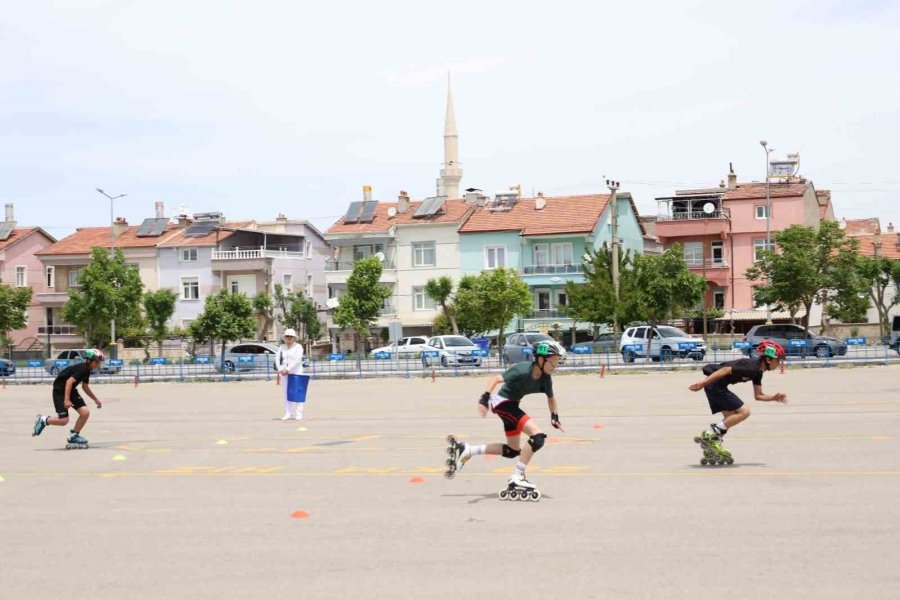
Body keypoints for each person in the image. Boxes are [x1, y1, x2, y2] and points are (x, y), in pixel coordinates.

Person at [448, 342, 564, 498]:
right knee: (537, 437)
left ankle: (468, 450)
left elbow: (551, 398)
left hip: (512, 405)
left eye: (558, 361)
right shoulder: (523, 369)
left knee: (512, 451)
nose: (556, 365)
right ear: (541, 360)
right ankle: (518, 476)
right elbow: (495, 379)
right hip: (502, 403)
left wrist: (554, 416)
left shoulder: (546, 379)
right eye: (554, 361)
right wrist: (484, 399)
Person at [689, 341, 788, 462]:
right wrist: (703, 383)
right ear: (768, 359)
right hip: (714, 384)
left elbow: (758, 395)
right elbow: (725, 370)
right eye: (777, 360)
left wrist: (773, 397)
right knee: (744, 412)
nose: (779, 364)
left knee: (730, 418)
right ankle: (709, 434)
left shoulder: (758, 372)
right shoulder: (751, 366)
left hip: (716, 386)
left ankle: (713, 446)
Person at [32, 349, 105, 448]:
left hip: (70, 390)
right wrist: (66, 400)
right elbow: (69, 382)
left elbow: (85, 387)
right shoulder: (83, 369)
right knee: (64, 421)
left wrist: (95, 399)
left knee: (85, 412)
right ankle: (44, 420)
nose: (98, 364)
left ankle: (74, 435)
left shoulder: (87, 370)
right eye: (97, 362)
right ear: (89, 360)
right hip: (60, 390)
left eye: (99, 362)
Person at [275, 329, 306, 420]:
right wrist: (280, 369)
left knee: (298, 392)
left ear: (294, 338)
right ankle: (288, 413)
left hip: (296, 372)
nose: (289, 338)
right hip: (284, 373)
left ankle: (298, 413)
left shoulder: (298, 347)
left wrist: (288, 369)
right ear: (285, 338)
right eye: (287, 336)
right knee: (286, 393)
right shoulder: (282, 347)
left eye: (291, 336)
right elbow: (277, 359)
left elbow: (297, 360)